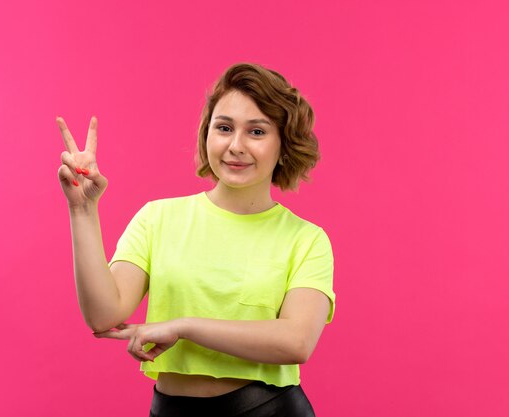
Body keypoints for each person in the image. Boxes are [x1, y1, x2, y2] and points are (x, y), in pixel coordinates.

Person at [56, 62, 336, 417]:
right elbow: (103, 315)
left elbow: (296, 342)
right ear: (207, 134)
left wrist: (184, 327)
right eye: (224, 128)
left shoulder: (306, 240)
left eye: (257, 132)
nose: (236, 145)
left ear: (283, 145)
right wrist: (83, 210)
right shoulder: (158, 218)